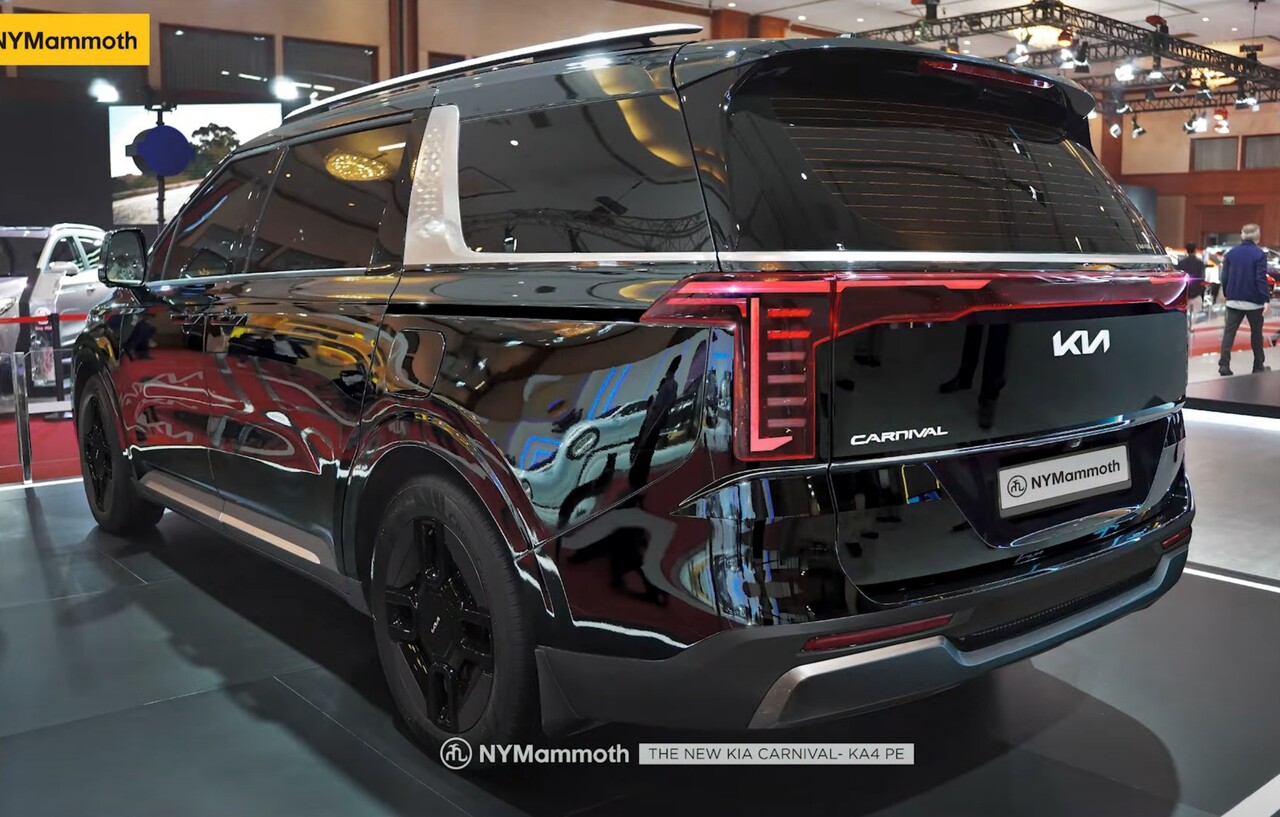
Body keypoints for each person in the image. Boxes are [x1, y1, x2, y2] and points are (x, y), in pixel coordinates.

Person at [1218, 224, 1272, 376]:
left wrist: (1228, 293)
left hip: (1233, 299)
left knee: (1229, 333)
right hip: (1254, 301)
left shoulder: (1231, 254)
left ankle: (1224, 365)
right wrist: (1265, 299)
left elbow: (1224, 277)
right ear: (1257, 236)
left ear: (1242, 235)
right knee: (1256, 334)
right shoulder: (1259, 254)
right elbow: (1260, 279)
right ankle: (1258, 366)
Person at [1177, 243, 1207, 327]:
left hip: (1184, 294)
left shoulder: (1181, 263)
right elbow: (1202, 278)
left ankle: (1186, 330)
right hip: (1196, 293)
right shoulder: (1200, 263)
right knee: (1195, 318)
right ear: (1195, 250)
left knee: (1184, 317)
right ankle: (1192, 330)